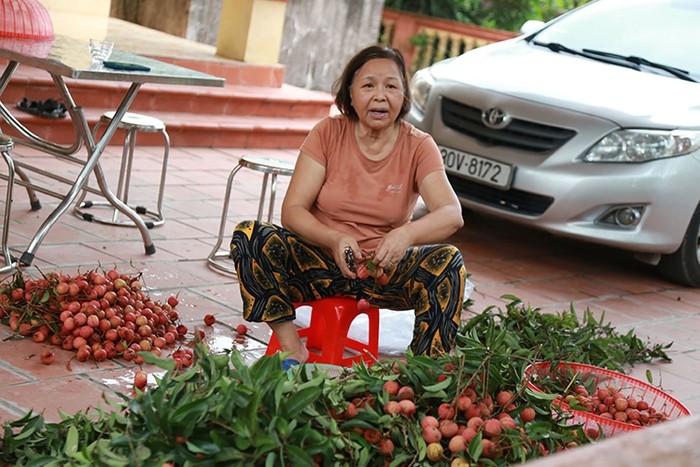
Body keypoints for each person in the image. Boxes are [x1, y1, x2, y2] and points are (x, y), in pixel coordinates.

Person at [231, 45, 467, 367]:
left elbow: (452, 214)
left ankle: (426, 373)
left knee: (448, 263)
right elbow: (293, 211)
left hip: (383, 273)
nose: (380, 95)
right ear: (351, 95)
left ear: (404, 96)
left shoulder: (419, 146)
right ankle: (291, 348)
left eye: (391, 86)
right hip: (320, 264)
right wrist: (333, 238)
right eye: (369, 85)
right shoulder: (328, 132)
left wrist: (405, 236)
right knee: (250, 236)